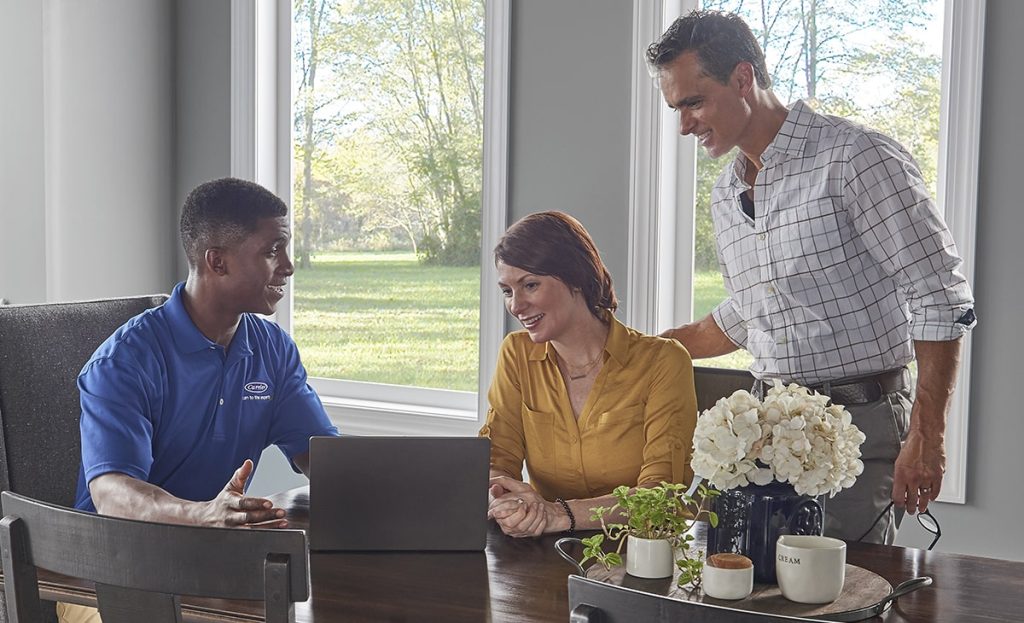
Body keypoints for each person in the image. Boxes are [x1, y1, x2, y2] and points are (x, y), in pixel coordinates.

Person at [647, 11, 975, 544]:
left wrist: (927, 433)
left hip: (861, 424)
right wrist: (646, 349)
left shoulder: (856, 158)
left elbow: (940, 296)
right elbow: (751, 313)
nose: (684, 124)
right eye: (676, 108)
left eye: (693, 102)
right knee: (748, 592)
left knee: (847, 594)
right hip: (764, 430)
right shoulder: (726, 194)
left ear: (742, 78)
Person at [60, 177, 338, 623]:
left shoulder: (273, 349)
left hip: (210, 561)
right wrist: (203, 515)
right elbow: (112, 495)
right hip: (105, 571)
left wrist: (407, 493)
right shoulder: (124, 361)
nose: (288, 266)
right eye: (273, 250)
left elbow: (323, 457)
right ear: (218, 261)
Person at [480, 211, 698, 538]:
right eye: (508, 291)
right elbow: (498, 458)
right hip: (542, 548)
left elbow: (662, 497)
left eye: (530, 285)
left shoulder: (663, 362)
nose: (516, 306)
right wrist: (503, 501)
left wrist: (558, 514)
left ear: (576, 278)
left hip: (638, 552)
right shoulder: (516, 354)